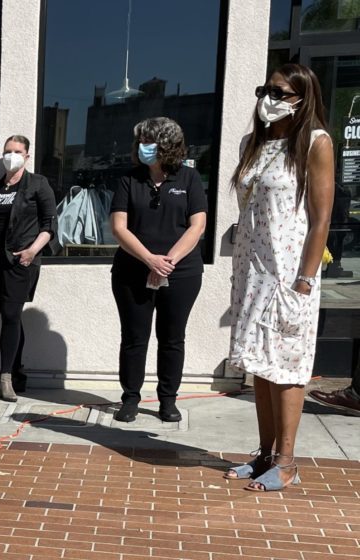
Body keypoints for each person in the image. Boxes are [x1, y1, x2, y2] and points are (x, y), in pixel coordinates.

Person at [226, 63, 333, 491]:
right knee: (261, 367)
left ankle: (286, 463)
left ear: (302, 98)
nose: (268, 98)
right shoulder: (253, 144)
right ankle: (265, 454)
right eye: (265, 89)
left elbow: (321, 218)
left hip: (291, 275)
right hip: (254, 273)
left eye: (280, 92)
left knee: (287, 367)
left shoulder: (315, 143)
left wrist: (305, 280)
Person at [109, 117, 207, 424]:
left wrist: (168, 262)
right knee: (134, 337)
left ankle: (168, 400)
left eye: (148, 142)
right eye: (140, 142)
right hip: (132, 271)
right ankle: (131, 398)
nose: (142, 148)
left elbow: (197, 225)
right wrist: (150, 260)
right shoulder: (129, 179)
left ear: (166, 145)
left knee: (172, 337)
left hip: (181, 273)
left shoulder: (189, 178)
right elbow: (118, 227)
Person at [0, 135, 56, 402]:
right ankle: (18, 372)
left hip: (21, 262)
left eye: (17, 151)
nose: (11, 155)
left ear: (27, 155)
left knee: (10, 316)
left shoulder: (37, 184)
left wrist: (32, 251)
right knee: (10, 317)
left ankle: (5, 377)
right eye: (7, 151)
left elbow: (49, 225)